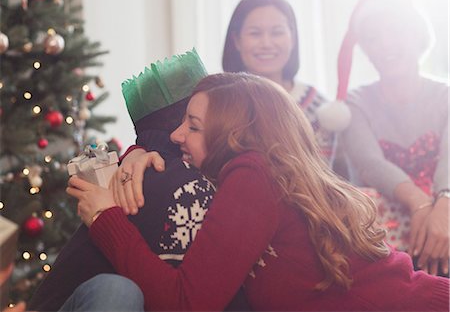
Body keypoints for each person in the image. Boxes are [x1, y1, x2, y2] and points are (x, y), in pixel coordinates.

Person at [65, 72, 448, 311]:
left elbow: (184, 303)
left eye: (193, 126)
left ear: (234, 137)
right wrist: (140, 151)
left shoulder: (252, 174)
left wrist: (104, 218)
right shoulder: (257, 176)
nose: (178, 135)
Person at [28, 50, 249, 311]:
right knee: (116, 290)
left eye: (195, 125)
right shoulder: (185, 183)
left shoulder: (231, 181)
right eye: (185, 123)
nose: (180, 135)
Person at [332, 0, 449, 276]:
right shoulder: (355, 103)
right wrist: (420, 204)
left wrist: (444, 206)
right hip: (385, 245)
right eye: (372, 38)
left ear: (418, 35)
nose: (386, 45)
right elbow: (370, 165)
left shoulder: (446, 96)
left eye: (396, 32)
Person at [222, 0, 335, 164]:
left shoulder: (317, 106)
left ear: (292, 38)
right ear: (237, 40)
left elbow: (322, 176)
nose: (267, 43)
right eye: (255, 33)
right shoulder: (219, 102)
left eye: (277, 32)